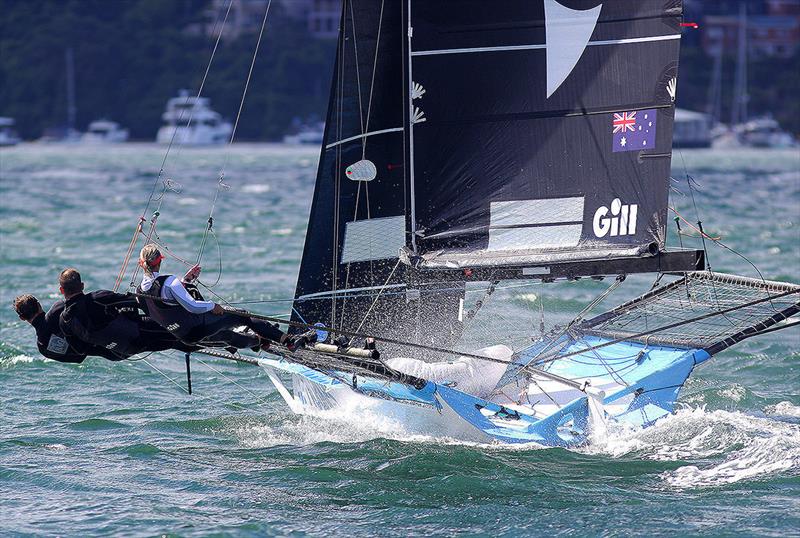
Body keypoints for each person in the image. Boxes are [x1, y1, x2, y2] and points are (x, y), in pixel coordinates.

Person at [135, 244, 313, 351]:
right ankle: (288, 341)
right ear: (160, 261)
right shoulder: (169, 282)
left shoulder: (139, 292)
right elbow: (193, 307)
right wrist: (213, 306)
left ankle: (260, 342)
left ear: (142, 264)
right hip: (197, 326)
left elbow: (164, 307)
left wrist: (186, 281)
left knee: (226, 335)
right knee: (243, 316)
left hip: (182, 336)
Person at [56, 268, 198, 359]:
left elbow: (81, 350)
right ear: (82, 286)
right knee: (182, 331)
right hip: (138, 333)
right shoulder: (97, 298)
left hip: (121, 351)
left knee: (173, 342)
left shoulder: (64, 321)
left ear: (62, 290)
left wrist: (107, 343)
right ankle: (213, 336)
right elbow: (137, 301)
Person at [13, 294, 123, 363]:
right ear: (39, 305)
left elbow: (78, 358)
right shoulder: (60, 308)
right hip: (120, 329)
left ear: (22, 318)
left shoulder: (43, 346)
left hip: (115, 354)